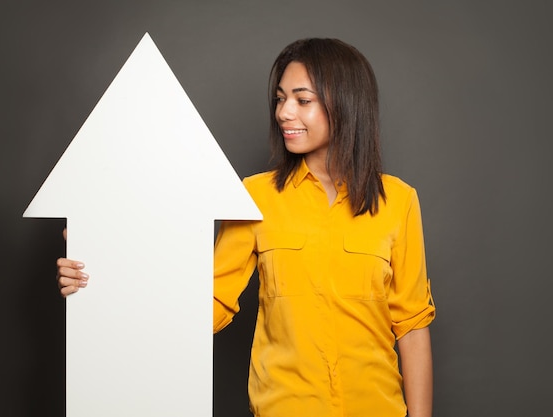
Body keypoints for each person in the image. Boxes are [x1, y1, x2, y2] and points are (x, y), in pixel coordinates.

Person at [57, 38, 435, 417]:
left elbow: (412, 327)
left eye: (302, 100)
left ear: (347, 104)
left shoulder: (398, 201)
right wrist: (104, 267)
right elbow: (207, 304)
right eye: (280, 98)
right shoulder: (254, 197)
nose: (284, 112)